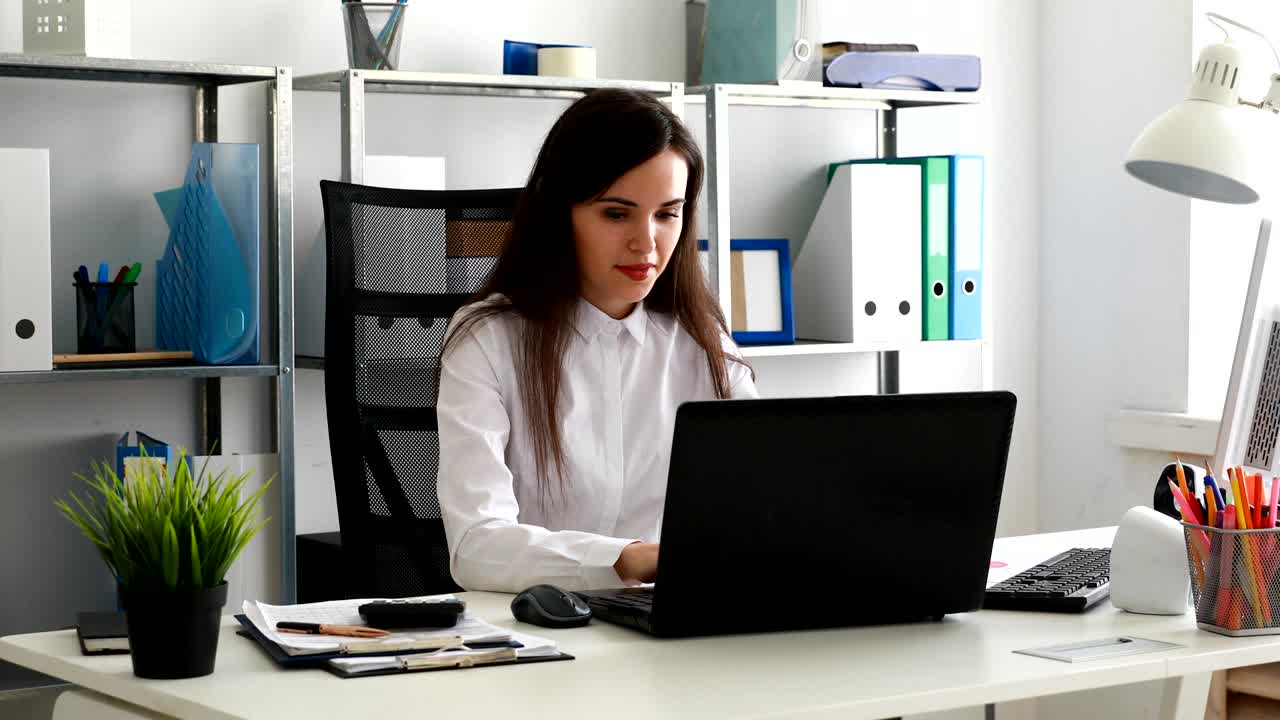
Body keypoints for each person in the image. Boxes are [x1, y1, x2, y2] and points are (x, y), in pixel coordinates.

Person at [435, 88, 757, 594]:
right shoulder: (488, 340)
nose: (645, 242)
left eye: (667, 213)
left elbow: (764, 506)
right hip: (540, 635)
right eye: (616, 213)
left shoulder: (703, 343)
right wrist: (626, 560)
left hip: (678, 628)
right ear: (559, 213)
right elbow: (476, 547)